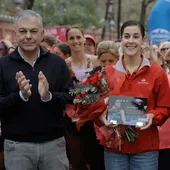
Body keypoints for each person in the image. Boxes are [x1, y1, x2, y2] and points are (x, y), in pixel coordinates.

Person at [0, 10, 73, 170]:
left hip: (54, 145)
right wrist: (20, 96)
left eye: (33, 31)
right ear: (14, 34)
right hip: (17, 147)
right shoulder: (3, 65)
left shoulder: (57, 63)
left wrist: (48, 96)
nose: (28, 36)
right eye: (22, 31)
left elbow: (70, 97)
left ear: (42, 34)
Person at [97, 20, 170, 170]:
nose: (131, 41)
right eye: (127, 36)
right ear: (121, 39)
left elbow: (165, 106)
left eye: (136, 36)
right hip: (114, 149)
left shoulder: (157, 73)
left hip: (145, 150)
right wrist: (100, 117)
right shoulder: (108, 72)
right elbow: (96, 105)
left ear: (143, 40)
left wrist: (153, 116)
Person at [64, 25, 104, 170]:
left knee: (96, 159)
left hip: (95, 118)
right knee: (77, 160)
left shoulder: (95, 61)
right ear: (67, 41)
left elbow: (105, 86)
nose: (75, 41)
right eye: (71, 38)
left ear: (83, 38)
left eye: (78, 37)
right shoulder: (64, 65)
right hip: (73, 120)